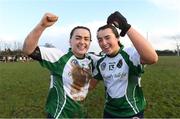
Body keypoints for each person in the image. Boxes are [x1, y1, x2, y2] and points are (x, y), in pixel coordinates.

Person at [23, 13, 99, 118]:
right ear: (70, 41)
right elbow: (28, 49)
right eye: (78, 38)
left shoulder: (92, 59)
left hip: (79, 114)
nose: (82, 42)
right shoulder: (59, 57)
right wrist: (42, 26)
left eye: (86, 39)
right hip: (59, 115)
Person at [93, 11, 158, 118]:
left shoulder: (130, 54)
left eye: (107, 37)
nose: (103, 43)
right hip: (109, 112)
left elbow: (152, 58)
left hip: (132, 112)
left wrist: (126, 27)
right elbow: (90, 85)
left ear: (117, 38)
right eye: (100, 40)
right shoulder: (101, 62)